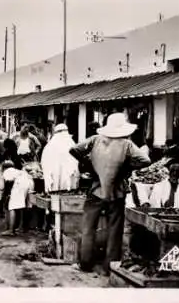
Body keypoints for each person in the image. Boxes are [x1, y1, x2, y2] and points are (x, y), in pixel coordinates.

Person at [69, 112, 151, 276]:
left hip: (96, 191)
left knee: (88, 228)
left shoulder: (95, 140)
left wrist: (88, 164)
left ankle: (85, 263)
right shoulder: (127, 144)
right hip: (117, 192)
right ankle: (110, 266)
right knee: (115, 230)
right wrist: (127, 167)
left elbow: (74, 150)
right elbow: (146, 160)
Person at [41, 124, 80, 193]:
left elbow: (45, 163)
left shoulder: (49, 146)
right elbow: (76, 163)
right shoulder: (72, 145)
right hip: (69, 184)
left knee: (54, 200)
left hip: (54, 183)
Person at [0, 160, 34, 237]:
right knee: (22, 205)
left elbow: (5, 185)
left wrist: (6, 194)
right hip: (29, 181)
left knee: (12, 207)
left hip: (20, 184)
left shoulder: (7, 172)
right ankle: (21, 227)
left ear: (4, 168)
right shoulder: (17, 171)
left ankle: (11, 230)